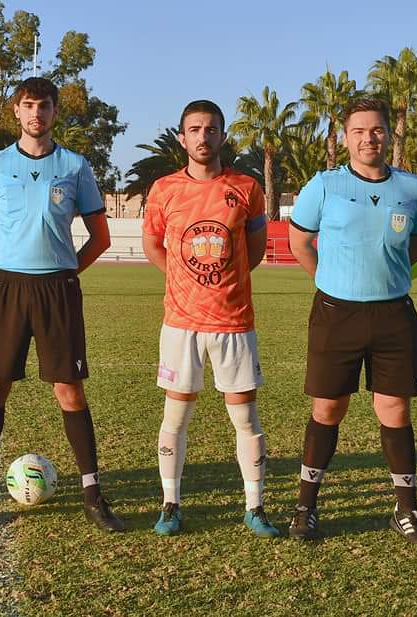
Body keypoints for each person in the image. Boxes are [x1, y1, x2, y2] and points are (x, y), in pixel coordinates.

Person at [0, 77, 123, 532]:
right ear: (17, 113)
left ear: (54, 113)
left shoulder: (75, 165)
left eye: (44, 106)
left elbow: (100, 238)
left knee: (69, 390)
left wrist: (66, 273)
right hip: (6, 289)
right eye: (28, 106)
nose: (36, 114)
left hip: (57, 290)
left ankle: (93, 495)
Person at [287, 98, 417, 545]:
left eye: (376, 130)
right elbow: (299, 241)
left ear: (389, 134)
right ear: (345, 137)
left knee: (395, 410)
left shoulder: (411, 189)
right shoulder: (325, 186)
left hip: (393, 316)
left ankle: (406, 510)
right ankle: (305, 507)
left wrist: (387, 274)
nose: (368, 138)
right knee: (328, 409)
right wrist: (330, 281)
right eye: (359, 131)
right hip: (337, 314)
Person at [141, 100, 278, 537]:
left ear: (222, 136)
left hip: (234, 321)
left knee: (245, 418)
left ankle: (254, 507)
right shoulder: (163, 189)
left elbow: (255, 249)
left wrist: (223, 281)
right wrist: (183, 280)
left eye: (211, 129)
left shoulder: (247, 187)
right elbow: (153, 246)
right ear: (183, 138)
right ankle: (170, 503)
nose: (203, 136)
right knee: (175, 417)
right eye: (195, 129)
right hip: (181, 322)